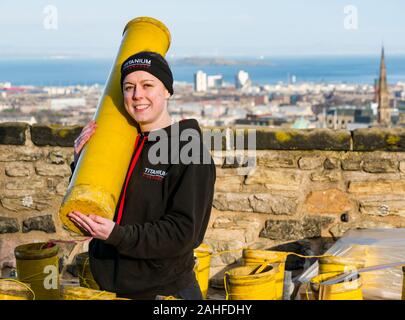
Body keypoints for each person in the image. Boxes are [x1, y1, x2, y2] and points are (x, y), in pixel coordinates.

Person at [68, 51, 216, 300]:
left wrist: (116, 235)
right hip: (110, 289)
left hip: (165, 293)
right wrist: (81, 164)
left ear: (167, 91)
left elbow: (183, 233)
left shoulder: (189, 151)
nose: (137, 95)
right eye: (129, 87)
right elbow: (101, 208)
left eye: (148, 85)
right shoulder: (121, 145)